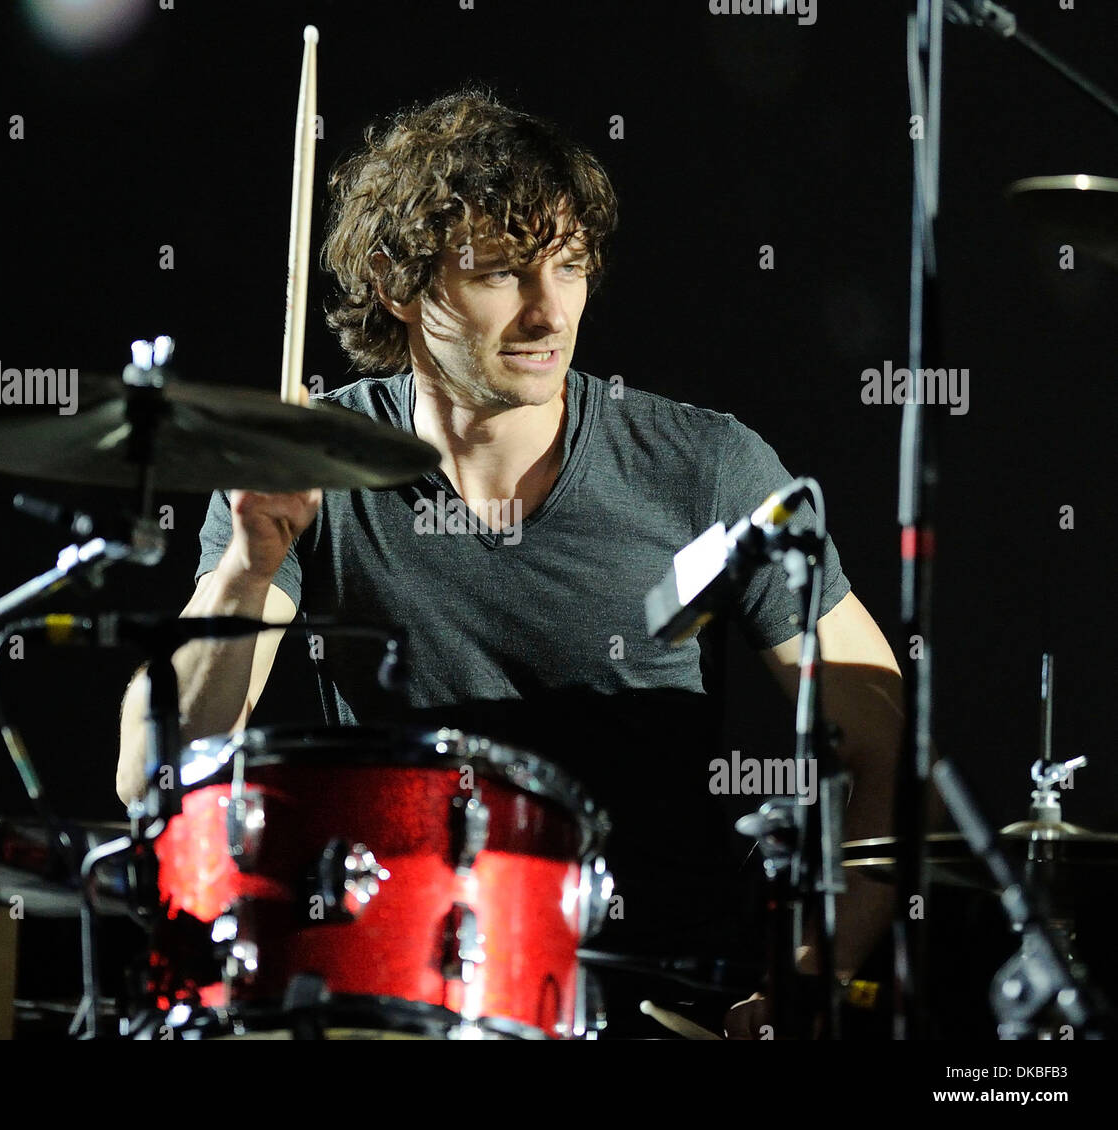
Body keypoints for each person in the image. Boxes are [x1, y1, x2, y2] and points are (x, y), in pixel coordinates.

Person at [117, 86, 904, 1039]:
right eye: (501, 273)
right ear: (394, 280)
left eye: (568, 269)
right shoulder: (307, 465)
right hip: (405, 995)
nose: (548, 312)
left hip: (653, 1001)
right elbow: (153, 769)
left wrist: (816, 970)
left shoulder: (703, 466)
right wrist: (247, 564)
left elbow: (883, 733)